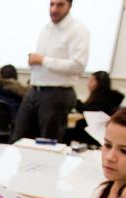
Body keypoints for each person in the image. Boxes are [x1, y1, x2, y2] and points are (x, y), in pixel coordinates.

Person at [12, 0, 89, 143]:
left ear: (69, 6)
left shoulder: (78, 29)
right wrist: (35, 61)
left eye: (60, 5)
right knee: (18, 139)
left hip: (57, 93)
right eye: (52, 4)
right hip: (35, 89)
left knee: (47, 143)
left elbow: (78, 65)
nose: (54, 9)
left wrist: (43, 60)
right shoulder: (47, 28)